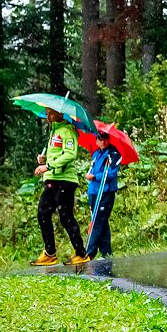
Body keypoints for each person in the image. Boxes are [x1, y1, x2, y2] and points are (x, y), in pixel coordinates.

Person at [30, 107, 89, 266]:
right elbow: (56, 155)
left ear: (60, 114)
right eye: (47, 113)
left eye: (51, 113)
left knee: (66, 217)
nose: (48, 116)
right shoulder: (53, 132)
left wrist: (48, 166)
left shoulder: (67, 131)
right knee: (43, 213)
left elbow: (70, 154)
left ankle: (81, 253)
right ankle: (50, 253)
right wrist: (44, 160)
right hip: (52, 180)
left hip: (65, 180)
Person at [85, 131, 122, 259]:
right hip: (94, 192)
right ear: (96, 140)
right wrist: (90, 176)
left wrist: (95, 176)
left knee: (97, 221)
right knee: (102, 222)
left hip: (105, 192)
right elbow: (91, 170)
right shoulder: (96, 154)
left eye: (106, 138)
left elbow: (111, 173)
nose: (103, 141)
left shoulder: (113, 153)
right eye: (100, 138)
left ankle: (89, 253)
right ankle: (106, 252)